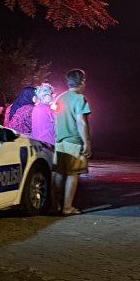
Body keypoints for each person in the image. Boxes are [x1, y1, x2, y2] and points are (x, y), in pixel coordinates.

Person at [54, 69, 92, 216]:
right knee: (72, 174)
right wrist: (87, 142)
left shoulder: (60, 98)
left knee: (59, 172)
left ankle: (55, 204)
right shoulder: (79, 98)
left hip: (60, 141)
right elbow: (81, 122)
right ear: (82, 81)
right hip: (74, 141)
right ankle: (67, 207)